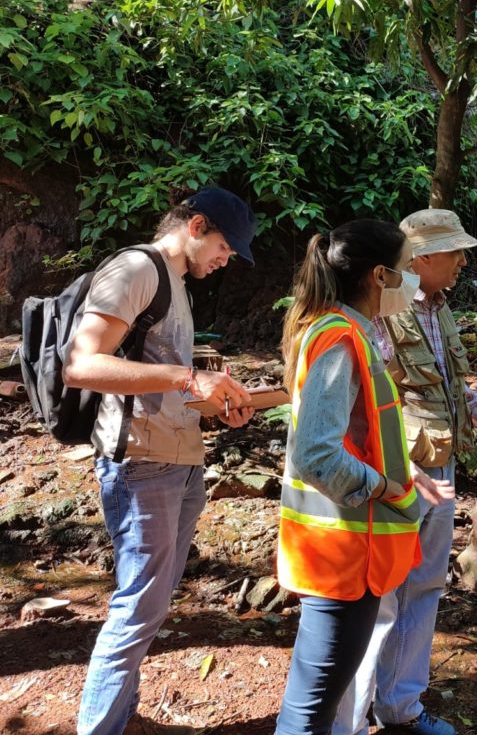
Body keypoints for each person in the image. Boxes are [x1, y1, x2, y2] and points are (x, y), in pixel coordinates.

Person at [334, 209, 477, 735]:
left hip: (439, 468)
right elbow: (368, 398)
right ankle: (349, 723)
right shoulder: (379, 311)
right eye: (454, 251)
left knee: (423, 587)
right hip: (394, 475)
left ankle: (400, 707)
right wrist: (386, 473)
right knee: (378, 596)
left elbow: (453, 389)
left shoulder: (439, 309)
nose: (464, 261)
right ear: (421, 259)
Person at [64, 187, 258, 735]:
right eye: (224, 247)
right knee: (137, 607)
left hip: (179, 455)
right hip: (141, 460)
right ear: (196, 225)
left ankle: (120, 714)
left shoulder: (176, 284)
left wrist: (213, 402)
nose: (226, 261)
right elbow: (82, 365)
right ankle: (98, 727)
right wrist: (187, 377)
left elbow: (160, 374)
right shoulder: (136, 268)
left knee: (151, 603)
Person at [274, 219, 455, 735]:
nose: (413, 281)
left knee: (316, 702)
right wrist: (386, 488)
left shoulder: (348, 332)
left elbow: (358, 435)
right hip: (344, 557)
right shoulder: (340, 338)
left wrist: (406, 471)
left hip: (349, 556)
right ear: (380, 276)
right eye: (404, 271)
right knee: (310, 711)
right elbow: (317, 454)